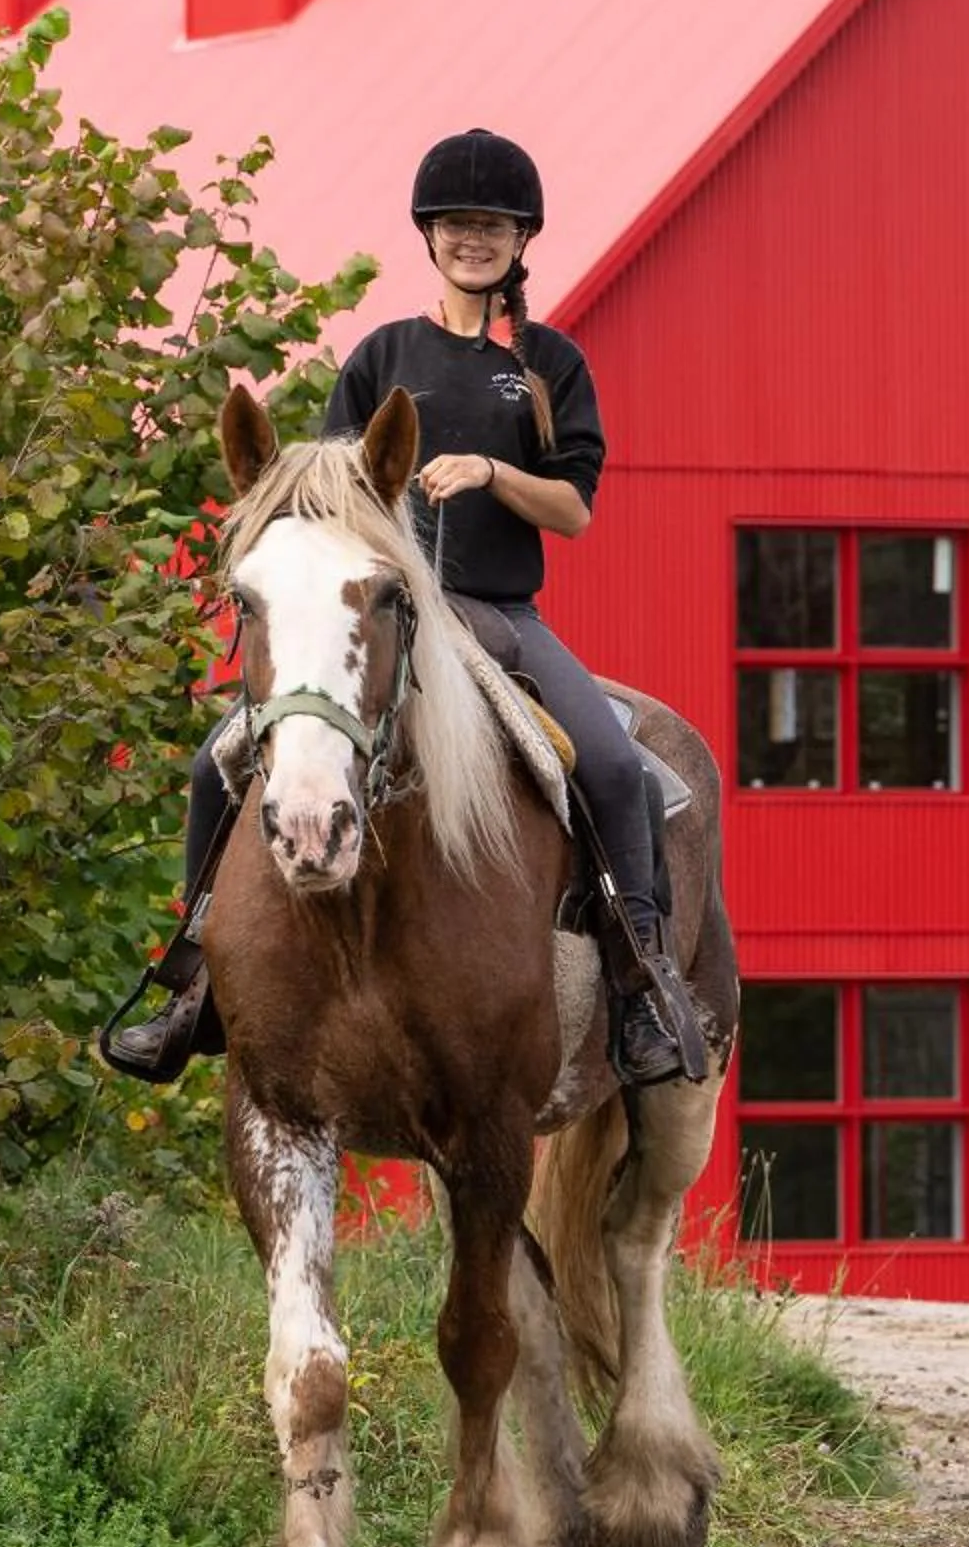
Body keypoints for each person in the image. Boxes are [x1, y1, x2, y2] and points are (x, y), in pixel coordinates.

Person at [104, 128, 700, 1091]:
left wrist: (495, 471)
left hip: (500, 614)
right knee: (219, 765)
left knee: (612, 766)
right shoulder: (383, 353)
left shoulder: (547, 362)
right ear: (430, 235)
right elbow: (339, 497)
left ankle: (641, 987)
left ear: (519, 241)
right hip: (385, 616)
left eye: (492, 227)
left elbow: (577, 512)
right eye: (457, 225)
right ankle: (191, 982)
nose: (474, 241)